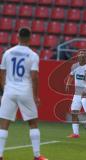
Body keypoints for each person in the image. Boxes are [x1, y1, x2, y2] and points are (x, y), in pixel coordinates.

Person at [0, 27, 47, 160]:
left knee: (4, 124)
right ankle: (37, 155)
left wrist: (5, 89)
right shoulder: (33, 55)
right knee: (32, 123)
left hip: (9, 91)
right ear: (30, 38)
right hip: (25, 90)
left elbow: (1, 73)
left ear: (17, 37)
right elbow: (34, 77)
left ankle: (0, 154)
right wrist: (35, 96)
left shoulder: (8, 53)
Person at [66, 51, 86, 138]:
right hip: (77, 94)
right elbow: (71, 75)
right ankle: (76, 133)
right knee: (74, 112)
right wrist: (68, 83)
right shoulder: (74, 66)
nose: (82, 55)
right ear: (78, 56)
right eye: (80, 53)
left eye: (84, 54)